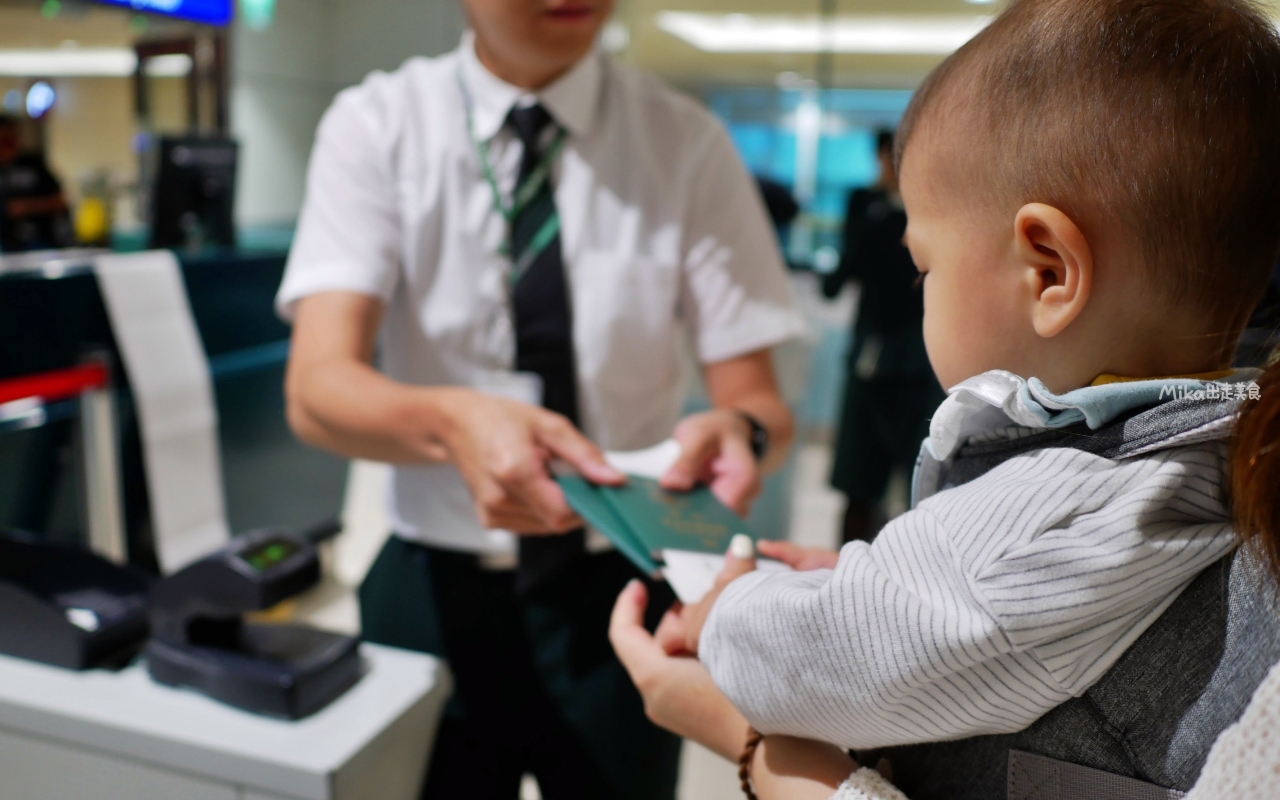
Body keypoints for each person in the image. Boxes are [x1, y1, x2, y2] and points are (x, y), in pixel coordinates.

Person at [609, 0, 1280, 797]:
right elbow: (978, 619)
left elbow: (831, 656)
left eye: (926, 267)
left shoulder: (1063, 489)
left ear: (1049, 273)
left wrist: (729, 610)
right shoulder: (1218, 449)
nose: (921, 287)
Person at [277, 0, 803, 798]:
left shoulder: (682, 141)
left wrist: (739, 431)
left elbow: (759, 403)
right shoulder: (378, 123)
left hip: (621, 586)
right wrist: (452, 420)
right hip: (435, 586)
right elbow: (317, 389)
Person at [821, 130, 944, 544]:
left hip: (921, 360)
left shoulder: (932, 210)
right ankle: (847, 571)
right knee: (859, 478)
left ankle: (900, 572)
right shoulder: (865, 204)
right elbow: (841, 275)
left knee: (918, 477)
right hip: (871, 358)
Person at [0, 115, 74, 253]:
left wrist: (28, 207)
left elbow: (61, 201)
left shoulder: (33, 164)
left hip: (42, 245)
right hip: (7, 249)